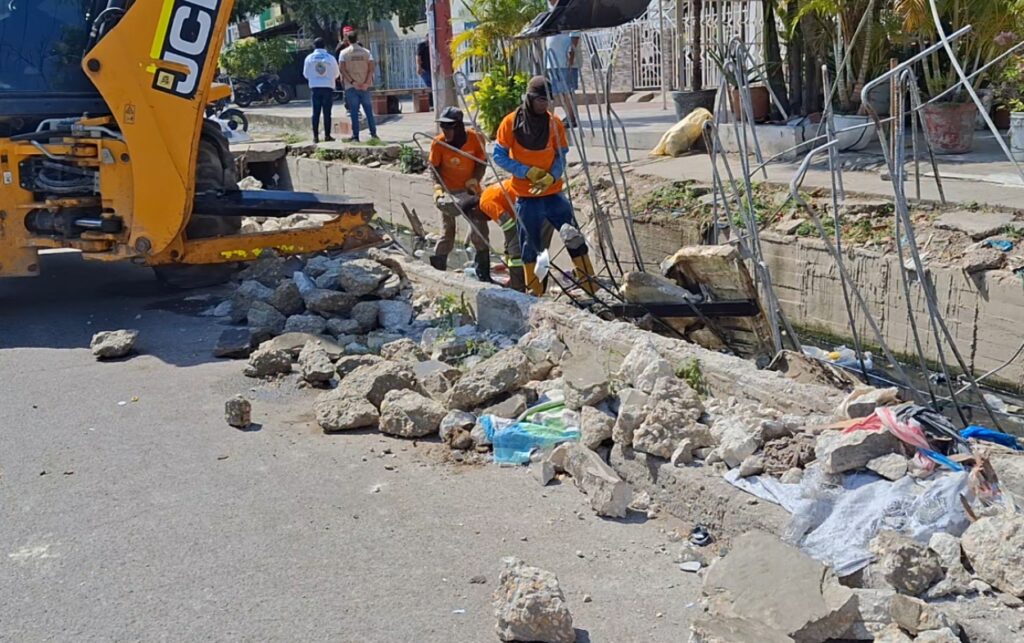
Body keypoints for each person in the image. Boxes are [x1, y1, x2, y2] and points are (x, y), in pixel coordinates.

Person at [493, 76, 596, 296]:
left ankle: (590, 286)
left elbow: (561, 155)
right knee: (530, 246)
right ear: (530, 99)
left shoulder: (554, 123)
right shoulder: (510, 123)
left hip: (552, 194)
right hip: (526, 197)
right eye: (540, 100)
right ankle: (536, 291)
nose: (544, 105)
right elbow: (499, 156)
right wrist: (525, 171)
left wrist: (552, 175)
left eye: (547, 101)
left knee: (573, 237)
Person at [428, 107, 490, 279]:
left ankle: (483, 273)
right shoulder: (438, 143)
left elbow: (481, 162)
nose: (445, 131)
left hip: (470, 189)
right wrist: (438, 188)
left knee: (480, 230)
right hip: (449, 191)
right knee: (447, 232)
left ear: (459, 127)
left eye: (449, 127)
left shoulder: (475, 139)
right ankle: (438, 272)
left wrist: (475, 180)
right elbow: (433, 168)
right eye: (443, 127)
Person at [544, 1, 581, 128]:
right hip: (553, 60)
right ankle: (560, 117)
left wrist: (572, 51)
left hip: (565, 59)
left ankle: (571, 118)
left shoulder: (568, 7)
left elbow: (576, 31)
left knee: (567, 90)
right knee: (557, 92)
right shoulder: (550, 9)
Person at [338, 32, 379, 143]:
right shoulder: (367, 52)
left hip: (351, 86)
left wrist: (352, 82)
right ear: (357, 38)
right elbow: (371, 68)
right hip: (365, 86)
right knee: (369, 111)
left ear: (347, 40)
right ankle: (374, 134)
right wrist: (366, 83)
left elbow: (342, 69)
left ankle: (355, 136)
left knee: (354, 112)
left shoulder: (343, 53)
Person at [302, 37, 340, 144]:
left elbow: (305, 74)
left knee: (316, 113)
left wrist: (315, 78)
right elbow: (337, 73)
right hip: (328, 88)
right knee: (327, 113)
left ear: (314, 46)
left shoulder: (309, 58)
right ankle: (327, 135)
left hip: (315, 88)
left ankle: (315, 137)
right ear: (324, 46)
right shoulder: (330, 58)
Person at [416, 37, 433, 109]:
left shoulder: (433, 44)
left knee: (431, 87)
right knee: (430, 87)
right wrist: (419, 67)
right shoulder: (422, 45)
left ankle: (432, 104)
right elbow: (418, 57)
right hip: (425, 69)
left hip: (432, 69)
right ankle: (431, 104)